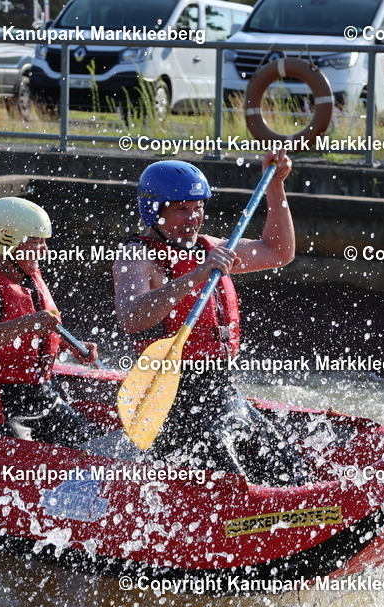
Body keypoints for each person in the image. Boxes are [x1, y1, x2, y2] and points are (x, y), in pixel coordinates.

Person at [112, 152, 306, 486]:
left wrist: (276, 187)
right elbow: (131, 318)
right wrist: (197, 275)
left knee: (289, 470)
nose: (194, 217)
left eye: (198, 207)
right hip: (173, 396)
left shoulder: (209, 247)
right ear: (153, 210)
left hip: (222, 390)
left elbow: (279, 252)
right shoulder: (136, 255)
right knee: (232, 483)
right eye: (182, 209)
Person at [0, 196, 101, 446]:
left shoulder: (30, 278)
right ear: (8, 239)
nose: (45, 250)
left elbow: (39, 334)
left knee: (92, 443)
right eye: (36, 241)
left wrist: (72, 345)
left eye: (44, 241)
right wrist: (28, 323)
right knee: (24, 457)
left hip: (41, 395)